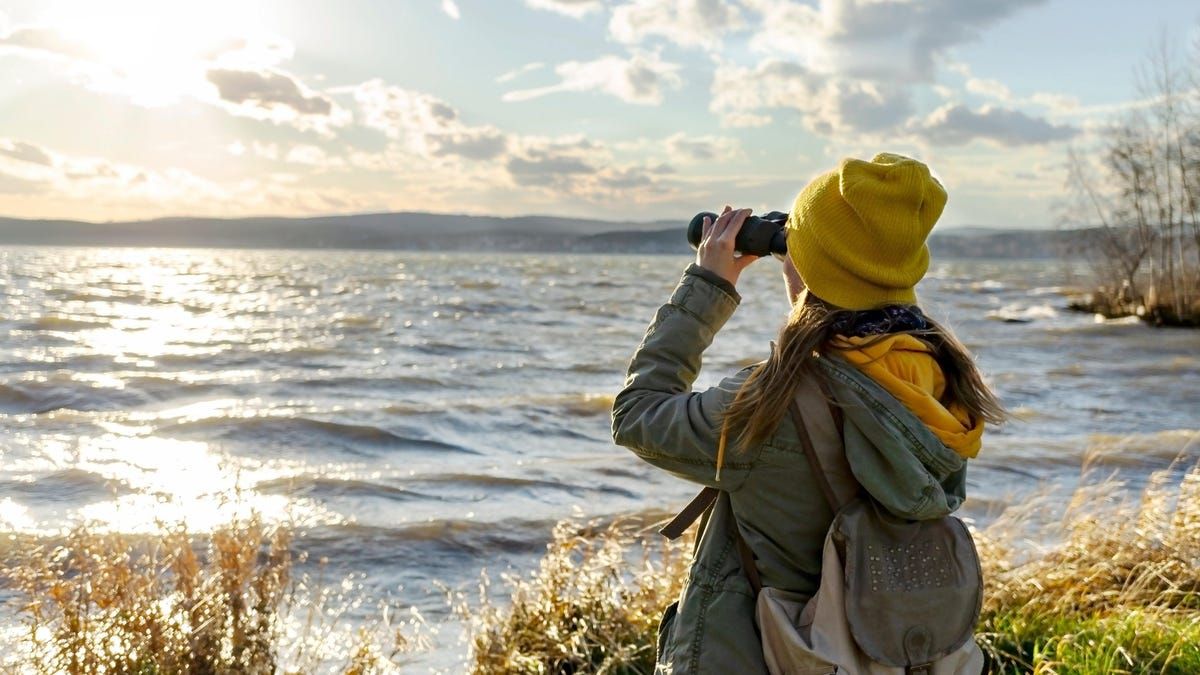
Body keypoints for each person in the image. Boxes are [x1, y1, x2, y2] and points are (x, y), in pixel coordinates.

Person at [611, 153, 1006, 674]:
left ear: (814, 264)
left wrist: (708, 286)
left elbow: (638, 414)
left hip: (764, 654)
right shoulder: (939, 380)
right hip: (878, 651)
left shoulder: (770, 402)